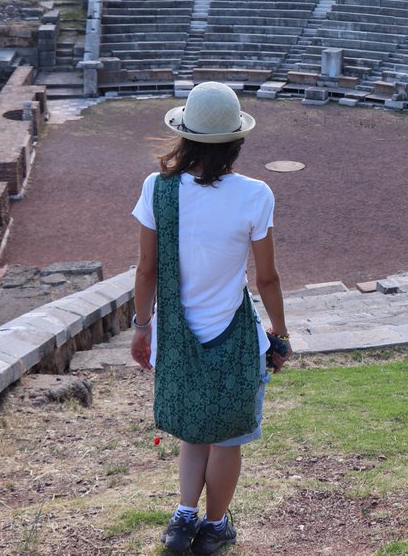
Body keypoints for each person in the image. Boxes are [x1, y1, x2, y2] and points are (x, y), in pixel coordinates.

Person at [129, 82, 291, 555]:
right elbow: (267, 279)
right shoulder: (255, 194)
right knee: (227, 439)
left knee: (194, 432)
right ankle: (214, 526)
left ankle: (183, 520)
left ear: (185, 136)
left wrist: (143, 328)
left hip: (176, 335)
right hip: (232, 334)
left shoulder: (157, 190)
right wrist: (279, 335)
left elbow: (145, 270)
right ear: (236, 143)